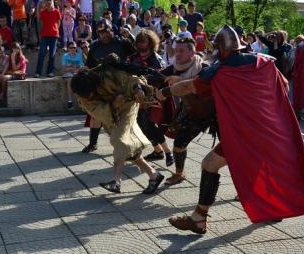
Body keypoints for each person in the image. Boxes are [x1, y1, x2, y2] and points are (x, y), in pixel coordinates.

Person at [156, 25, 304, 234]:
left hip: (245, 135)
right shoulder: (263, 62)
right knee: (261, 166)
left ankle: (199, 218)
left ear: (220, 47)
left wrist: (165, 91)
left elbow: (188, 86)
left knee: (209, 164)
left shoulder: (219, 71)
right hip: (270, 131)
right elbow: (284, 85)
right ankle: (273, 208)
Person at [71, 60, 164, 194]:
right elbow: (97, 111)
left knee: (118, 140)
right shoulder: (82, 95)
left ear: (94, 85)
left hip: (129, 105)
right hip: (111, 114)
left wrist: (137, 89)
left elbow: (131, 78)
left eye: (90, 94)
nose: (89, 97)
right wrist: (114, 104)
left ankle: (116, 181)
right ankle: (154, 175)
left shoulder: (108, 75)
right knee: (129, 150)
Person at [157, 37, 215, 185]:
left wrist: (178, 82)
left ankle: (243, 186)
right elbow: (157, 75)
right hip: (193, 113)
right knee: (179, 144)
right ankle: (179, 174)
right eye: (176, 50)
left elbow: (196, 84)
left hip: (215, 114)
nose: (177, 54)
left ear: (192, 52)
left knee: (230, 151)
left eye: (181, 51)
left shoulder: (204, 67)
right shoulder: (175, 67)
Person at [82, 18, 135, 153]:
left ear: (111, 30)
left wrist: (130, 36)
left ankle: (128, 144)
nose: (104, 35)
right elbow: (89, 66)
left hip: (120, 85)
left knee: (122, 117)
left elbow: (136, 51)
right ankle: (93, 144)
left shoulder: (121, 42)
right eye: (101, 33)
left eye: (106, 31)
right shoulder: (94, 46)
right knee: (96, 114)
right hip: (101, 86)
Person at [129, 30, 174, 166]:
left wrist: (146, 81)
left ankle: (167, 152)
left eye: (144, 41)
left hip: (152, 96)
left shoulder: (155, 58)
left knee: (149, 124)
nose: (142, 44)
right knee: (141, 125)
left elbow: (160, 77)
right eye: (140, 41)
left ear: (150, 42)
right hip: (136, 95)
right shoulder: (133, 57)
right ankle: (158, 151)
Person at [35, 0, 61, 78]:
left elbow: (58, 22)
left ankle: (49, 72)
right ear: (45, 2)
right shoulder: (42, 12)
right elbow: (41, 24)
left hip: (54, 35)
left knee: (52, 54)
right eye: (47, 0)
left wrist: (55, 29)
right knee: (41, 53)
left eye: (50, 0)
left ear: (53, 1)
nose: (49, 2)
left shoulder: (57, 11)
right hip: (45, 35)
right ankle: (38, 72)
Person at [61, 41, 84, 109]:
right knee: (70, 79)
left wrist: (74, 69)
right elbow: (64, 69)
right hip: (68, 74)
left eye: (74, 47)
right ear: (68, 49)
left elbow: (81, 67)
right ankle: (70, 101)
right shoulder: (65, 56)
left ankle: (82, 101)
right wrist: (73, 68)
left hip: (76, 72)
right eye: (71, 48)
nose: (73, 49)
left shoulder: (79, 55)